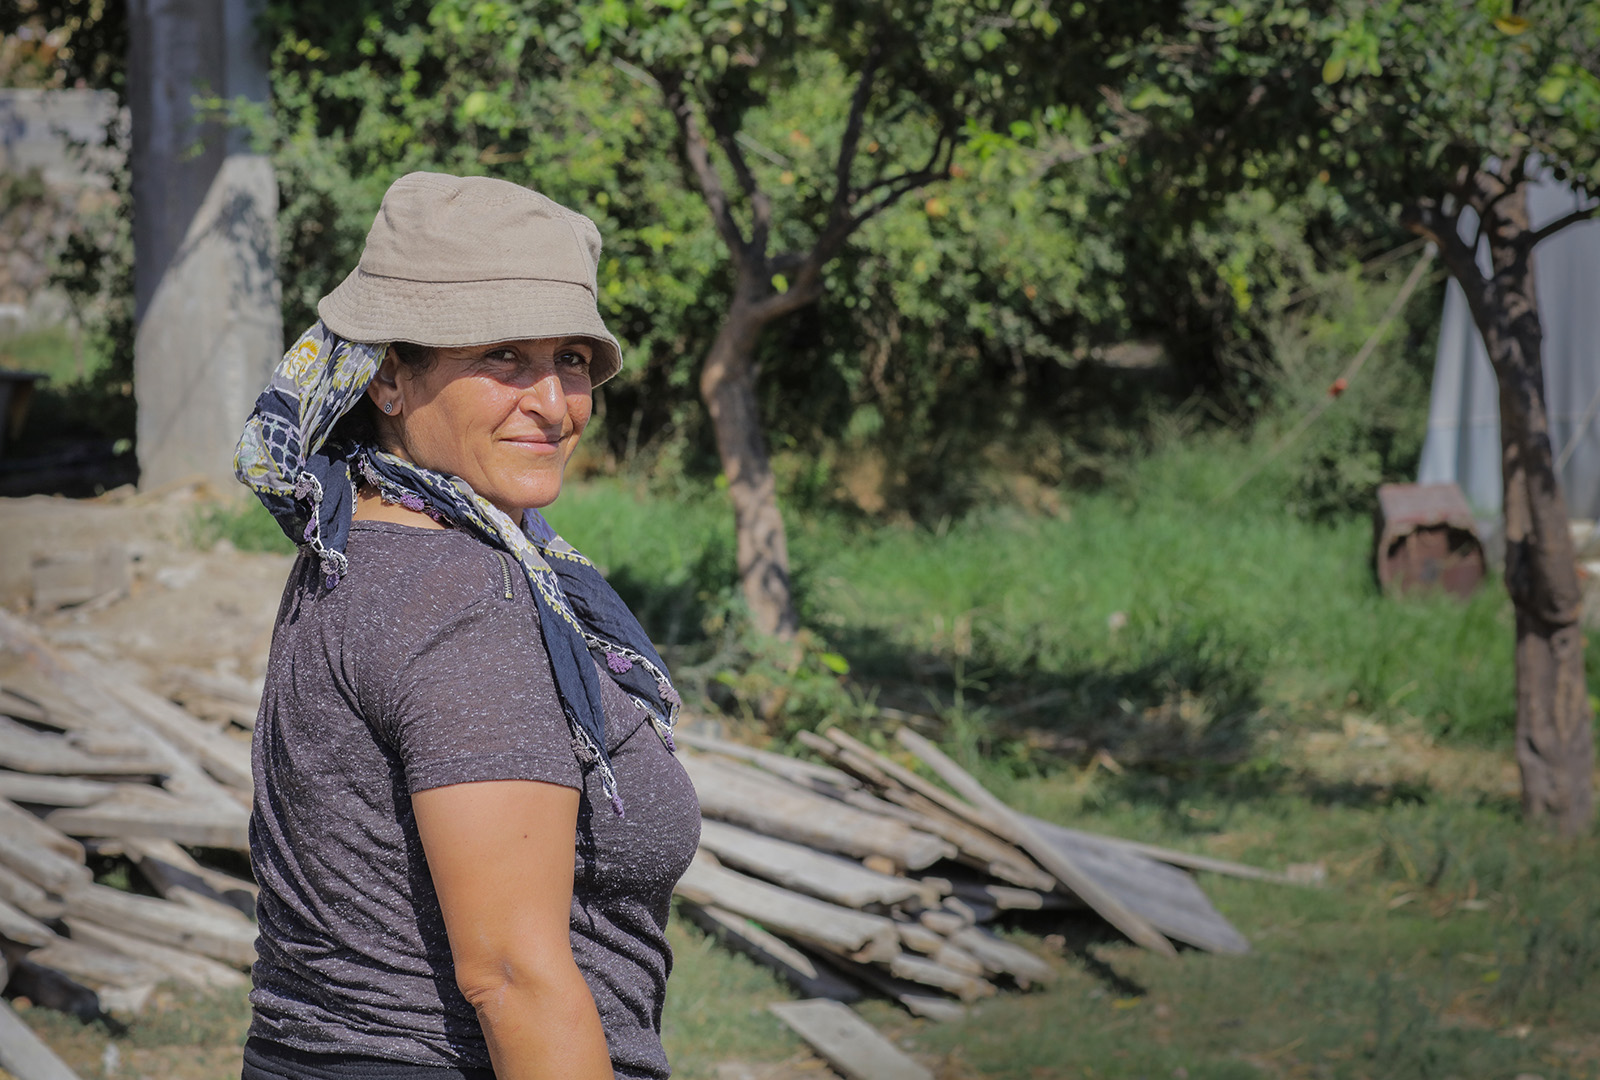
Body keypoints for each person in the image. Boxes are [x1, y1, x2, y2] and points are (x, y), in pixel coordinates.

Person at [234, 172, 700, 1080]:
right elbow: (516, 979)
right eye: (502, 358)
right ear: (391, 379)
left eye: (570, 359)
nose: (553, 403)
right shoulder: (459, 599)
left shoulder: (358, 540)